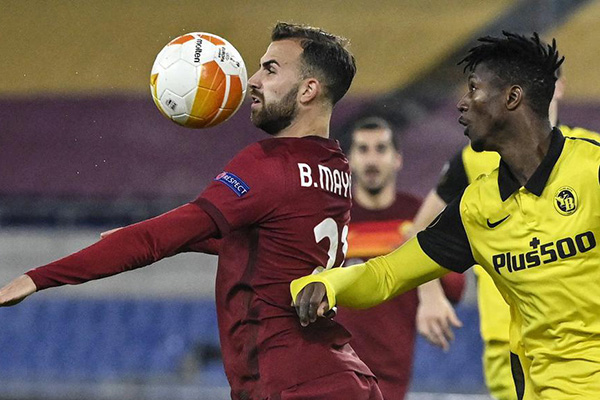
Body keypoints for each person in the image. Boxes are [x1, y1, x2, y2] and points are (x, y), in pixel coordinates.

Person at [0, 22, 383, 400]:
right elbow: (273, 248)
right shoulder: (334, 166)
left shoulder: (269, 164)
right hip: (342, 378)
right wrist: (175, 239)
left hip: (293, 384)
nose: (252, 81)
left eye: (270, 69)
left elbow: (158, 239)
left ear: (308, 90)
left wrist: (37, 277)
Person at [291, 32, 600, 399]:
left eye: (474, 89)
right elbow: (387, 273)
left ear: (512, 97)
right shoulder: (477, 208)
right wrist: (330, 284)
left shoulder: (592, 170)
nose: (462, 104)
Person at [409, 68, 600, 400]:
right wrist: (430, 297)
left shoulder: (590, 154)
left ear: (559, 86)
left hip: (586, 341)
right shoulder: (475, 159)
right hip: (511, 343)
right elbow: (420, 228)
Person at [334, 116, 465, 400]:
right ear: (350, 160)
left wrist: (429, 283)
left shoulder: (417, 216)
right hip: (334, 368)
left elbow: (456, 286)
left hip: (391, 377)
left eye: (381, 149)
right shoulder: (332, 218)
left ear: (397, 159)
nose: (372, 160)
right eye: (363, 149)